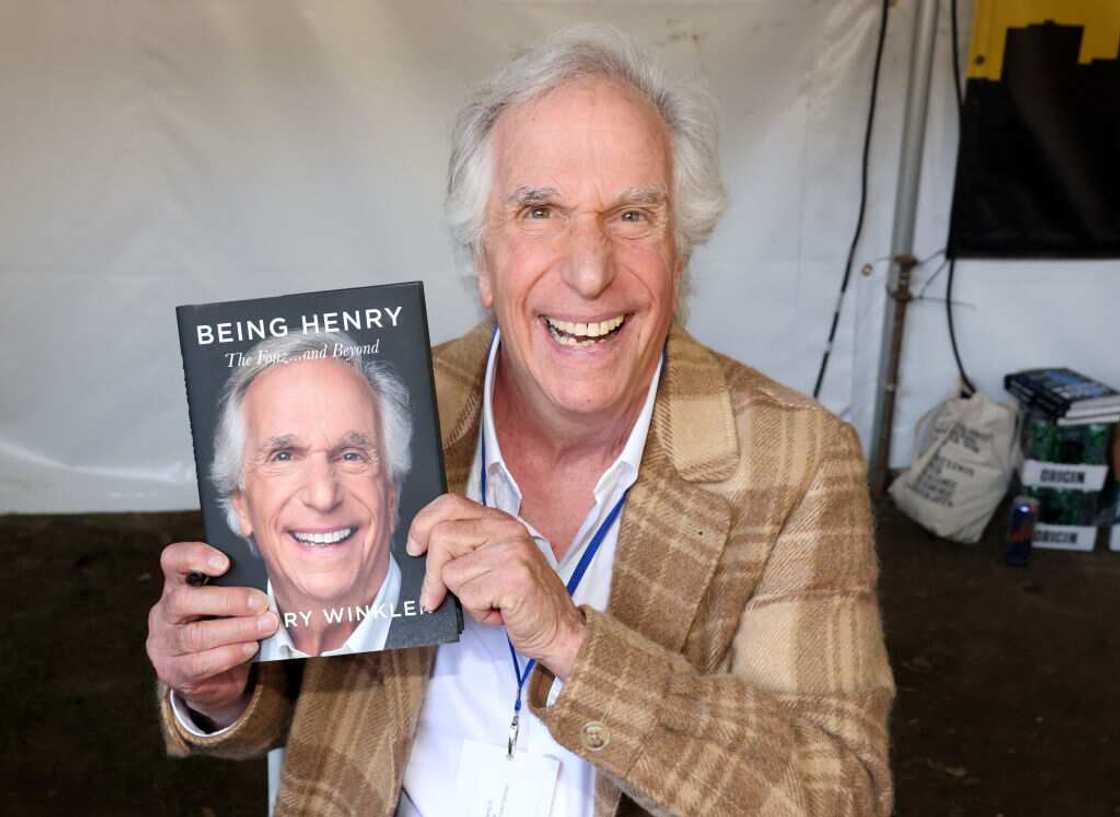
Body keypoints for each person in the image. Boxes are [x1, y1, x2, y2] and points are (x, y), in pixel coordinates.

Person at [147, 25, 894, 816]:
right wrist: (218, 687)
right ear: (482, 261)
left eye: (632, 215)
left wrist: (573, 641)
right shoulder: (378, 418)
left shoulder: (796, 459)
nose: (589, 271)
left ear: (679, 254)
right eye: (540, 211)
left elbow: (841, 794)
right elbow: (291, 693)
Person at [209, 330, 413, 666]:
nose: (323, 497)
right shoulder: (223, 645)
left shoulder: (462, 617)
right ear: (241, 504)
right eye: (284, 456)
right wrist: (197, 692)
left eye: (351, 455)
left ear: (391, 495)